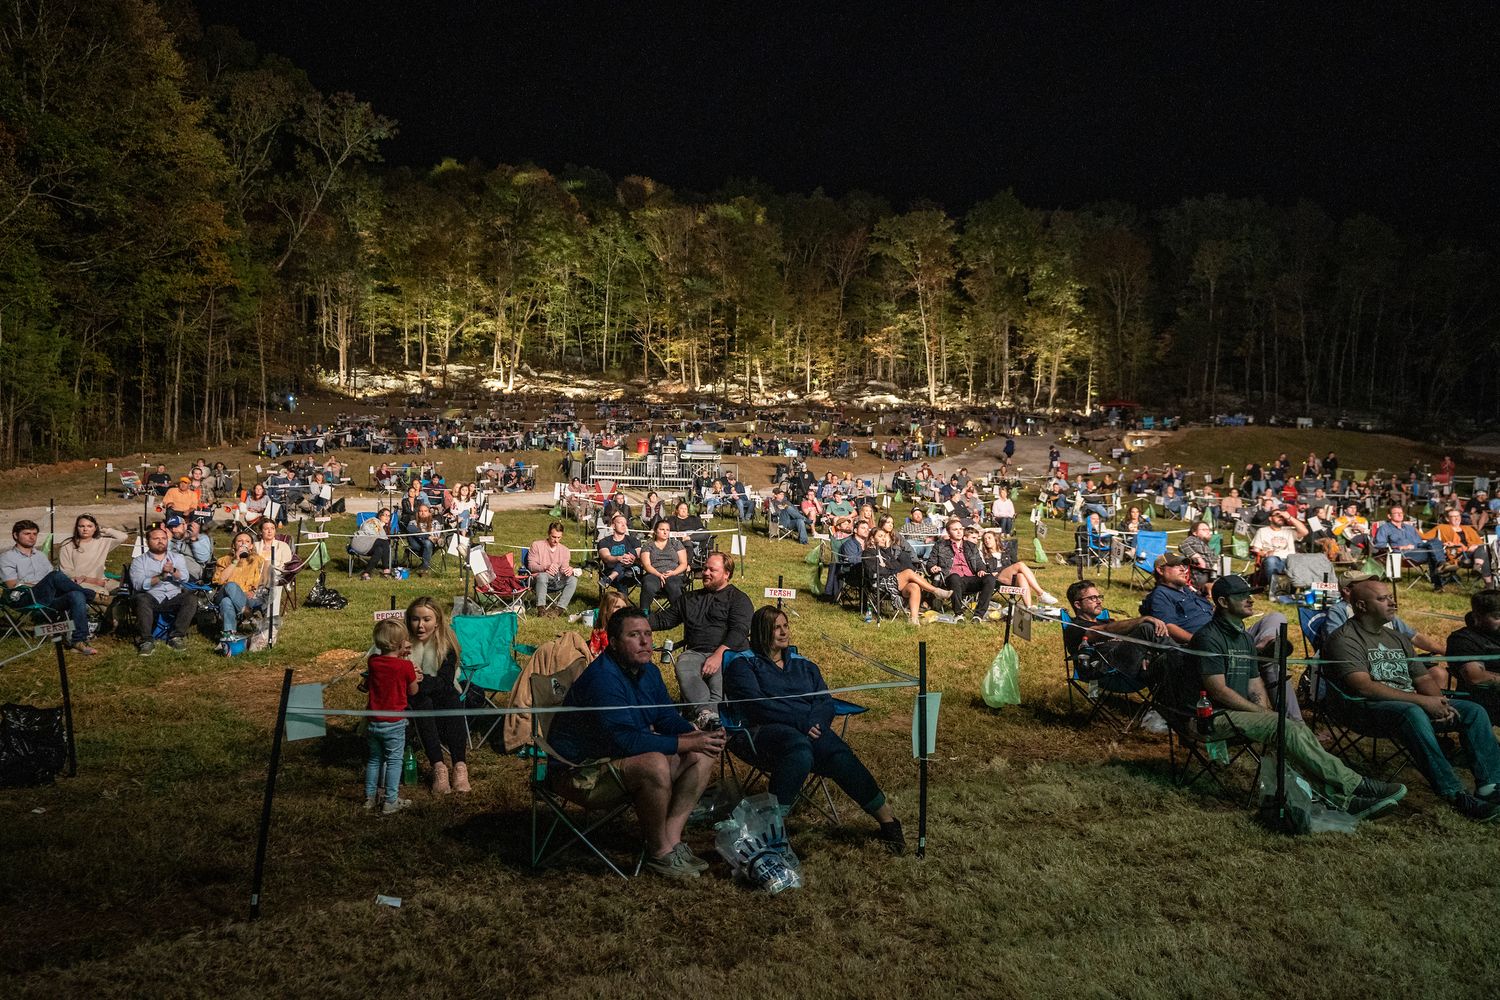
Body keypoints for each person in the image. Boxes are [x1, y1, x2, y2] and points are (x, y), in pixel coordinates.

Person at [1183, 575, 1405, 817]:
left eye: (1251, 594)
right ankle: (1357, 785)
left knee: (1292, 732)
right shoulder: (1209, 637)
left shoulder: (1244, 637)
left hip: (1238, 715)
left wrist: (1267, 714)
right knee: (1287, 729)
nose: (1251, 599)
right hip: (1209, 718)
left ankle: (1342, 801)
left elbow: (1255, 684)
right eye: (1243, 596)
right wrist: (1266, 717)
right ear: (1224, 602)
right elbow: (1218, 691)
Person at [546, 607, 724, 879]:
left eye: (648, 634)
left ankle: (672, 840)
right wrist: (687, 742)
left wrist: (696, 733)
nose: (645, 642)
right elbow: (625, 740)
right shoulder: (603, 678)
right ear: (614, 643)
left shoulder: (648, 671)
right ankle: (659, 853)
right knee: (654, 762)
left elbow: (664, 716)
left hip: (616, 759)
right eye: (634, 635)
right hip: (580, 771)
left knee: (705, 751)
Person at [722, 606, 905, 852]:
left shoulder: (804, 665)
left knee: (837, 753)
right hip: (760, 732)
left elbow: (824, 700)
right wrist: (801, 723)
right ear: (761, 631)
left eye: (786, 626)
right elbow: (757, 707)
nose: (784, 632)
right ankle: (772, 829)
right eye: (777, 627)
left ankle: (888, 821)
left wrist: (817, 723)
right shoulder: (743, 665)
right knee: (798, 749)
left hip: (809, 729)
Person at [1322, 578, 1500, 822]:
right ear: (1362, 606)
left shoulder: (1396, 637)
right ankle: (1456, 794)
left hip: (1409, 705)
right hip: (1363, 709)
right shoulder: (1344, 639)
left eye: (1390, 597)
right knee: (1412, 712)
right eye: (1382, 599)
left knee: (1473, 710)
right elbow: (1363, 687)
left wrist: (1440, 702)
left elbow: (1423, 678)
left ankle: (1490, 786)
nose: (1392, 602)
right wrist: (1423, 703)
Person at [1141, 553, 1301, 720]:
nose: (1184, 569)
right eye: (1176, 565)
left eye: (1185, 565)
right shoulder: (1161, 595)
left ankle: (1262, 646)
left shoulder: (1189, 592)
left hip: (1233, 635)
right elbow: (1168, 627)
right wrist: (1201, 641)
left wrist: (1207, 591)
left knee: (1275, 617)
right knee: (1272, 662)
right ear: (1160, 570)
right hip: (1213, 645)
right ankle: (1293, 721)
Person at [649, 551, 753, 724]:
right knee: (684, 665)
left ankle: (709, 718)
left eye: (712, 570)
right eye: (705, 568)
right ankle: (707, 714)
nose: (705, 573)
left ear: (727, 574)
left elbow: (740, 630)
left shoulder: (738, 599)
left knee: (719, 678)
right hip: (695, 652)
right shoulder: (690, 598)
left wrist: (718, 655)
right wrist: (633, 620)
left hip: (729, 653)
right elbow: (663, 620)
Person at [1062, 579, 1174, 732]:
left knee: (1167, 661)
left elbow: (1133, 641)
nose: (1099, 601)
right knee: (1147, 628)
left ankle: (1171, 713)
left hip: (1132, 664)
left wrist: (1148, 654)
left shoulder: (1109, 621)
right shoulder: (1075, 627)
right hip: (1105, 669)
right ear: (1077, 604)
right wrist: (1143, 618)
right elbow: (1100, 631)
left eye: (1099, 596)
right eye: (1092, 598)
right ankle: (1188, 656)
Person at [402, 596, 470, 794]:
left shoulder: (446, 645)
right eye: (415, 619)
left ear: (437, 621)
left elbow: (445, 682)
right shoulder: (400, 644)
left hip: (441, 692)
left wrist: (418, 680)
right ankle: (439, 767)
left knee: (452, 700)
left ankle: (460, 766)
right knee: (422, 703)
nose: (420, 626)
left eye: (426, 620)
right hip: (411, 698)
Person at [1, 519, 97, 655]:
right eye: (27, 533)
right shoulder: (7, 557)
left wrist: (61, 581)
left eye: (34, 534)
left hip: (47, 597)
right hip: (24, 598)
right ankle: (93, 596)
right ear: (15, 535)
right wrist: (42, 583)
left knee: (76, 595)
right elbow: (12, 585)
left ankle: (78, 641)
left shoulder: (40, 556)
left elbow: (51, 580)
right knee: (55, 575)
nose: (32, 537)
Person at [364, 619, 421, 814]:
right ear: (400, 643)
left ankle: (370, 798)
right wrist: (413, 673)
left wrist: (398, 653)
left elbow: (385, 662)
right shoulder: (405, 667)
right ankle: (391, 800)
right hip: (394, 722)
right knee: (395, 760)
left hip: (373, 721)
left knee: (374, 759)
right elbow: (413, 691)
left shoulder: (372, 662)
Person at [127, 525, 199, 656]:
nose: (161, 541)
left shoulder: (177, 558)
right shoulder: (139, 561)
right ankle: (146, 641)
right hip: (151, 597)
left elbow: (185, 578)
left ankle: (176, 637)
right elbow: (138, 585)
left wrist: (173, 571)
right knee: (141, 599)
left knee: (191, 598)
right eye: (156, 539)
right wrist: (161, 576)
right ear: (148, 542)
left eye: (164, 538)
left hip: (173, 597)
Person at [863, 525, 951, 625]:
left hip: (895, 582)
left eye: (884, 536)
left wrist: (888, 561)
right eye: (880, 536)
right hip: (881, 583)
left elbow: (897, 567)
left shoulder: (885, 552)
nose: (883, 539)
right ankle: (935, 591)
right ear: (872, 539)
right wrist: (892, 570)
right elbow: (874, 572)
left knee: (914, 586)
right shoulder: (868, 553)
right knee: (908, 572)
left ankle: (913, 619)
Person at [928, 517, 1000, 622]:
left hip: (971, 578)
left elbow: (980, 562)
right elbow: (930, 562)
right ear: (948, 532)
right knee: (955, 577)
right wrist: (932, 567)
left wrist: (981, 569)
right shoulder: (940, 545)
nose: (959, 532)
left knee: (990, 578)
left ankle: (978, 615)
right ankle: (959, 614)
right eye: (955, 529)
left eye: (960, 529)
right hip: (952, 579)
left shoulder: (971, 546)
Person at [1445, 589, 1500, 718]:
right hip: (1483, 700)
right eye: (1497, 617)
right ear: (1477, 617)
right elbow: (1475, 677)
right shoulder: (1463, 639)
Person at [56, 514, 129, 604]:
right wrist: (90, 580)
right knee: (103, 594)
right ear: (76, 528)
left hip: (102, 580)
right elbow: (66, 571)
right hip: (79, 582)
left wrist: (105, 530)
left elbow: (123, 537)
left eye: (89, 526)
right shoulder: (68, 545)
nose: (85, 529)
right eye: (81, 526)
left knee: (125, 590)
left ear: (95, 528)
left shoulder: (102, 542)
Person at [210, 530, 267, 641]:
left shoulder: (258, 561)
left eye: (247, 541)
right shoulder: (224, 560)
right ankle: (249, 615)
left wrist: (254, 591)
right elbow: (220, 580)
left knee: (226, 601)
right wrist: (235, 560)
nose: (243, 544)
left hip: (249, 596)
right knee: (230, 585)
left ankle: (229, 635)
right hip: (224, 592)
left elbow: (262, 581)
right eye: (239, 541)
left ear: (251, 546)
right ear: (234, 545)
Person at [1373, 504, 1445, 590]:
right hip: (1403, 555)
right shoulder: (1384, 528)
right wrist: (1401, 547)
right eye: (1396, 513)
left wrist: (1435, 544)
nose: (1400, 515)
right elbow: (1379, 544)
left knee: (1436, 542)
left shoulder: (1410, 528)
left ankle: (1441, 565)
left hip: (1417, 551)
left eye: (1401, 513)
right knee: (1432, 555)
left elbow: (1419, 543)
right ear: (1389, 516)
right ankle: (1440, 575)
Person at [978, 529, 1051, 610]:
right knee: (1020, 565)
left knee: (1021, 576)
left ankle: (1029, 607)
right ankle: (1040, 593)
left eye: (989, 538)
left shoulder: (1007, 551)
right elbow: (985, 569)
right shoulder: (984, 555)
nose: (987, 540)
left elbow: (1014, 564)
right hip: (995, 579)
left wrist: (1007, 569)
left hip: (1009, 578)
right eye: (985, 539)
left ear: (996, 539)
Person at [527, 520, 582, 616]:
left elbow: (563, 569)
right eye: (553, 537)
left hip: (557, 579)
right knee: (543, 576)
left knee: (573, 579)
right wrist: (546, 567)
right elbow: (531, 566)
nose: (556, 540)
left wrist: (569, 570)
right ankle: (541, 609)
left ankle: (559, 610)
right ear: (548, 534)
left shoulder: (565, 550)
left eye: (559, 537)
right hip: (538, 580)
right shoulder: (536, 545)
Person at [1250, 508, 1307, 599]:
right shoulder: (1262, 531)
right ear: (1270, 518)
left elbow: (1305, 531)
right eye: (1277, 515)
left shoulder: (1289, 531)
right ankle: (1275, 589)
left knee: (1300, 561)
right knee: (1271, 560)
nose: (1281, 517)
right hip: (1273, 559)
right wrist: (1264, 553)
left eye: (1282, 516)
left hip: (1290, 560)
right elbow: (1255, 549)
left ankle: (1292, 591)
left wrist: (1289, 517)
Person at [1426, 508, 1489, 587]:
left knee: (1481, 549)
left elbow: (1479, 542)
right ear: (1447, 519)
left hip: (1474, 554)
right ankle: (1489, 584)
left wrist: (1474, 546)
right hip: (1458, 556)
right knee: (1484, 554)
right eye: (1453, 516)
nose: (1456, 518)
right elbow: (1425, 537)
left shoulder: (1468, 528)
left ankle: (1477, 566)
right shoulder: (1442, 527)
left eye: (1458, 516)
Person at [639, 519, 690, 608]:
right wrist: (658, 574)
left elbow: (683, 563)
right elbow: (646, 565)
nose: (665, 532)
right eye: (662, 529)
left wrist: (673, 573)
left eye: (667, 530)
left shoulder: (676, 544)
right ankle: (644, 613)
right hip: (654, 574)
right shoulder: (648, 546)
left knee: (673, 584)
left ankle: (678, 612)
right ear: (655, 531)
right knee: (648, 585)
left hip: (675, 574)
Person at [597, 513, 641, 593]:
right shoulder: (604, 542)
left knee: (632, 552)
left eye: (625, 523)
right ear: (613, 526)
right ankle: (624, 604)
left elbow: (640, 554)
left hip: (632, 571)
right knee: (622, 576)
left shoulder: (633, 540)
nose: (624, 525)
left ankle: (610, 578)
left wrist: (633, 559)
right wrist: (618, 558)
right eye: (620, 523)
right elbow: (606, 558)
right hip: (612, 570)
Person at [351, 507, 395, 579]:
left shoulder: (383, 528)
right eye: (385, 515)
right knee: (384, 543)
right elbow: (366, 528)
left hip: (370, 545)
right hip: (360, 542)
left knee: (379, 550)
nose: (387, 517)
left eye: (389, 515)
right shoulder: (373, 521)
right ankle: (386, 570)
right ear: (380, 516)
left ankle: (366, 573)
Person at [167, 515, 212, 581]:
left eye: (176, 526)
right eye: (170, 528)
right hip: (173, 574)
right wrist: (168, 541)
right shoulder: (170, 540)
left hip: (193, 574)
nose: (173, 530)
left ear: (185, 525)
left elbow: (203, 559)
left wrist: (194, 539)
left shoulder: (201, 538)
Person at [588, 590, 632, 656]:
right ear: (606, 610)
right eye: (617, 607)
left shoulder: (631, 630)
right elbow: (594, 654)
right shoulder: (599, 632)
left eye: (624, 607)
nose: (622, 610)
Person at [1179, 520, 1216, 592]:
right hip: (1198, 574)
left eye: (1208, 530)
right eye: (1204, 530)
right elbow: (1182, 545)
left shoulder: (1206, 545)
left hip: (1209, 574)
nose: (1208, 532)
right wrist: (1198, 558)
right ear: (1195, 533)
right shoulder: (1193, 539)